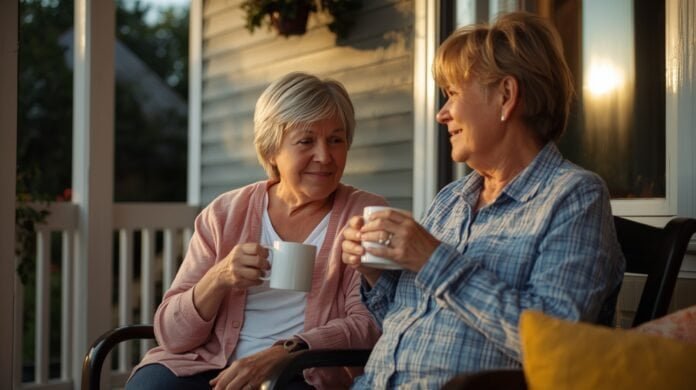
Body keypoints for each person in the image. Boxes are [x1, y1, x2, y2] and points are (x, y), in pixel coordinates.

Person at [341, 12, 625, 388]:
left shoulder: (573, 196)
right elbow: (405, 319)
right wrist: (375, 272)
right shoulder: (450, 200)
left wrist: (431, 257)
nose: (441, 114)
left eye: (453, 94)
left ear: (506, 96)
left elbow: (555, 340)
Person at [127, 72, 385, 390]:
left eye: (336, 139)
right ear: (271, 150)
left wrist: (287, 352)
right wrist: (219, 277)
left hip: (302, 372)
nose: (325, 156)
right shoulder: (225, 213)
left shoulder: (363, 215)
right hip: (209, 366)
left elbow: (370, 324)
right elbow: (171, 334)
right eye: (306, 141)